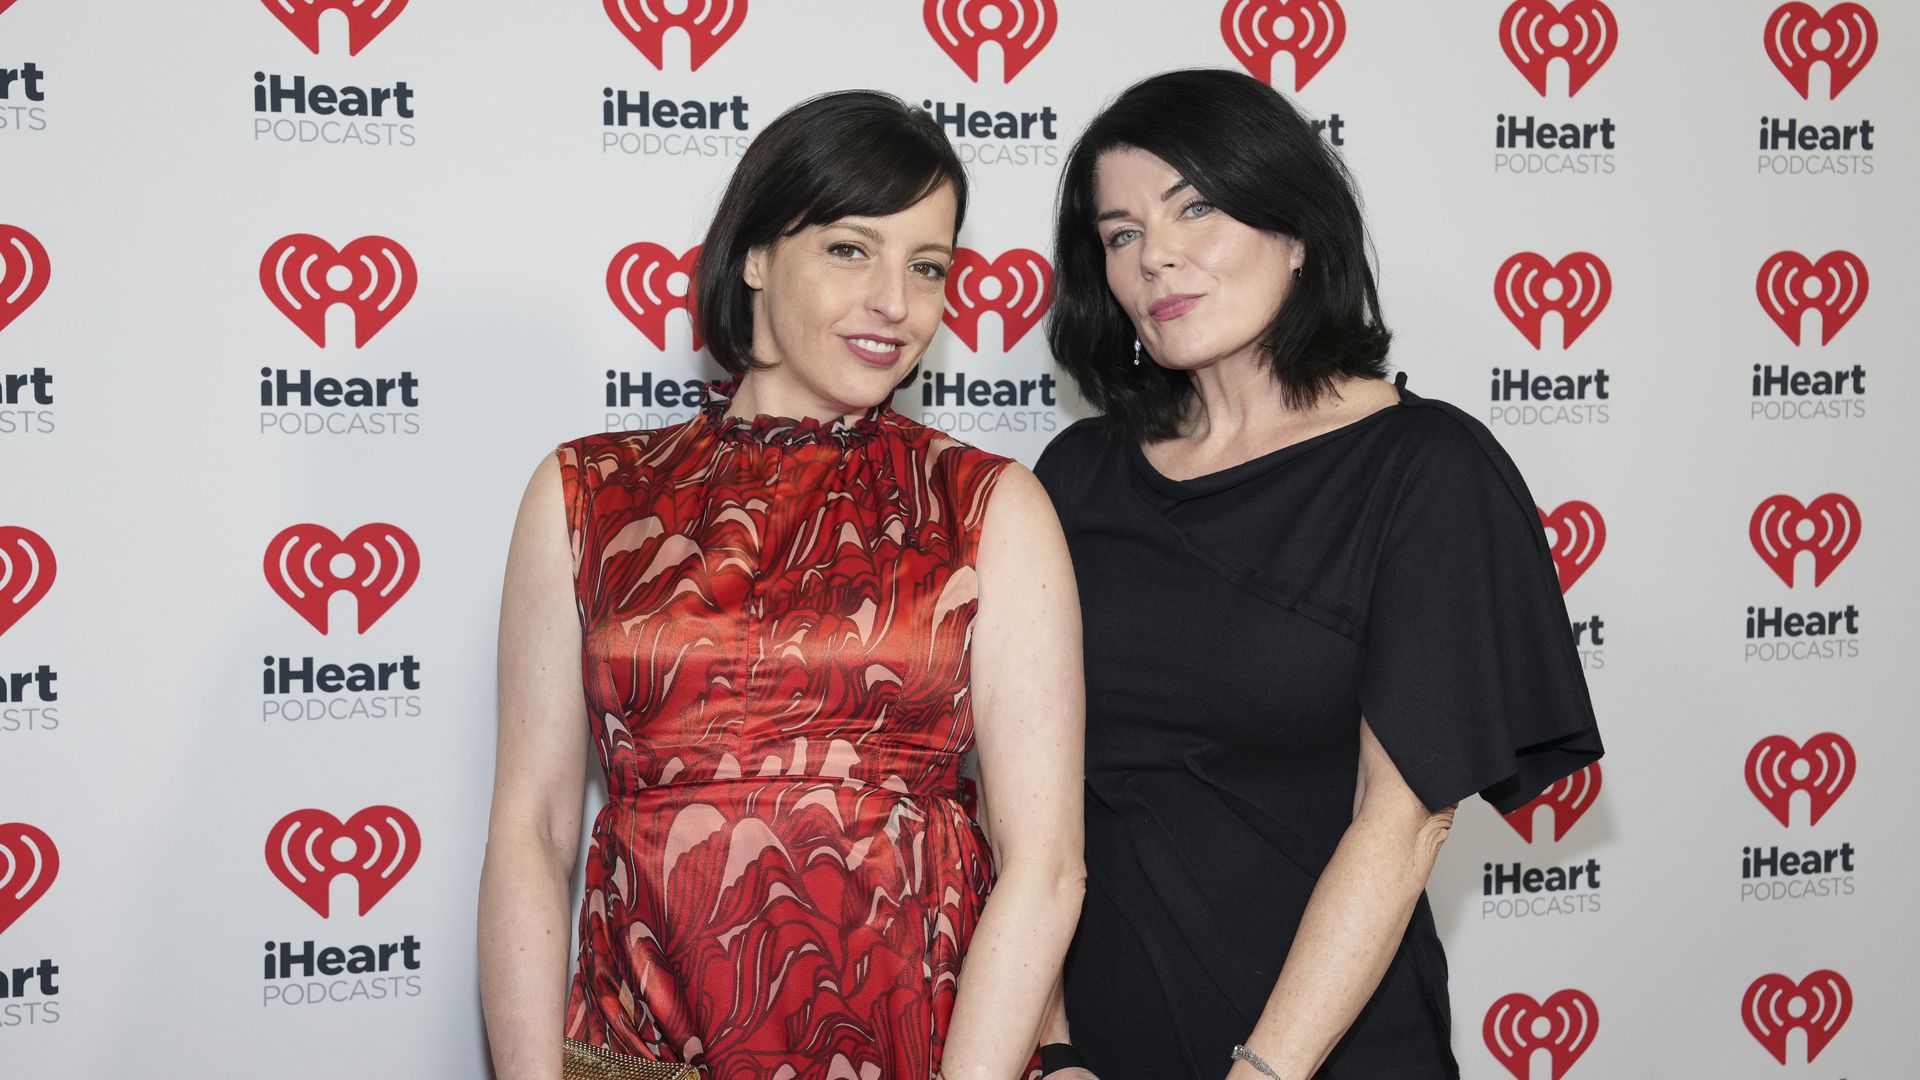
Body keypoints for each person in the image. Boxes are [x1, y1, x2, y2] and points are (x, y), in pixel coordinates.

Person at [479, 90, 1085, 1080]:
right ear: (754, 253)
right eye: (852, 249)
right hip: (641, 1043)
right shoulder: (587, 495)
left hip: (922, 1049)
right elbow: (533, 829)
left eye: (927, 266)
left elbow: (1047, 864)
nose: (897, 300)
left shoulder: (989, 508)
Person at [1030, 70, 1602, 1080]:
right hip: (1101, 1048)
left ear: (1294, 228)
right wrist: (1056, 1047)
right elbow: (1030, 813)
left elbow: (1406, 813)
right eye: (1120, 235)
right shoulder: (1076, 478)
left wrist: (1263, 1072)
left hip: (1325, 1053)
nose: (1156, 253)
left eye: (1194, 206)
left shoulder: (1426, 468)